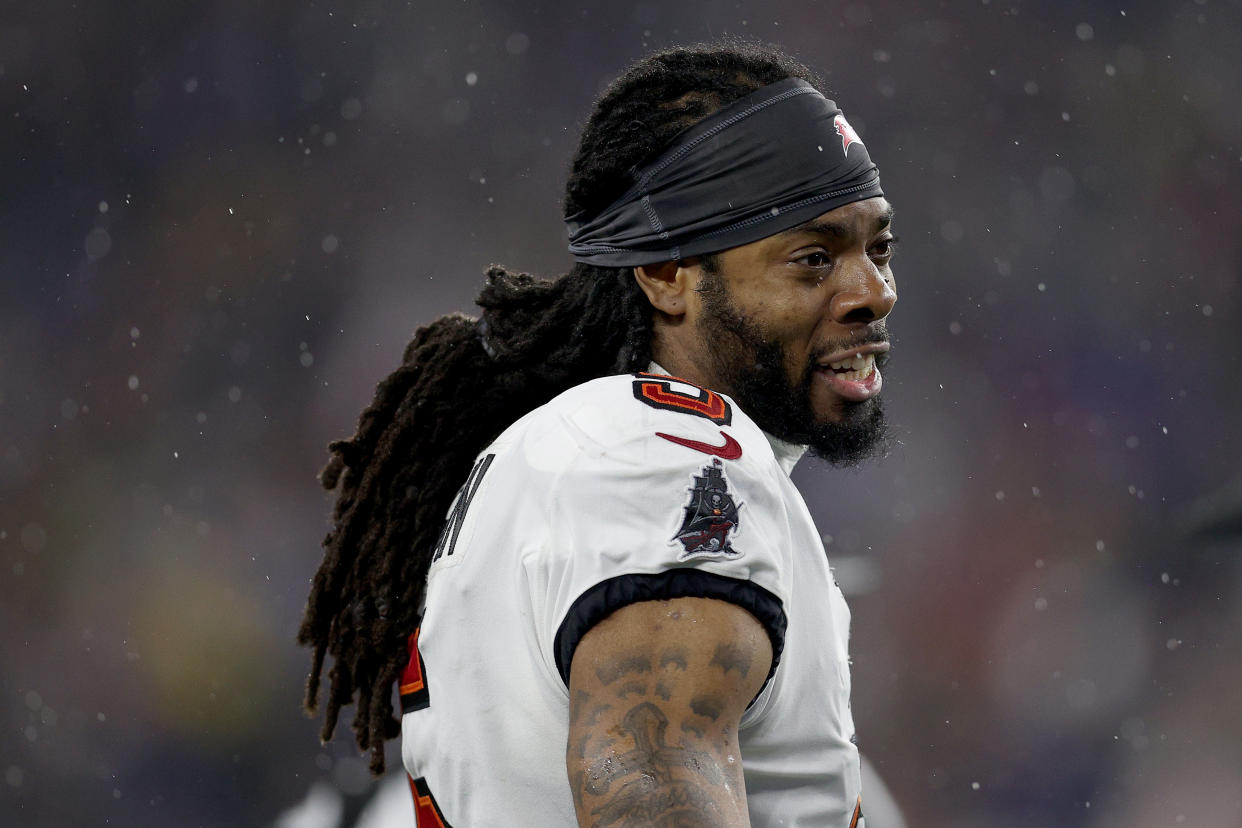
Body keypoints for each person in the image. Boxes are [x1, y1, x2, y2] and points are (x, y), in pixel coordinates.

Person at [299, 41, 898, 827]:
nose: (873, 292)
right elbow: (649, 788)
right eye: (813, 258)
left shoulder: (587, 451)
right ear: (665, 272)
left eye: (878, 248)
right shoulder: (665, 459)